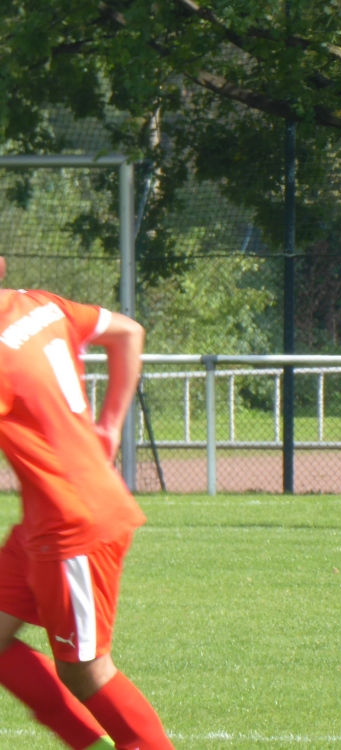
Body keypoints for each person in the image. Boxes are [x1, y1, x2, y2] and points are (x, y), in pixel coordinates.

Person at [0, 257, 175, 749]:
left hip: (71, 525)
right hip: (52, 515)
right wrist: (110, 426)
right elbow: (128, 332)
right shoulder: (40, 305)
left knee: (86, 671)